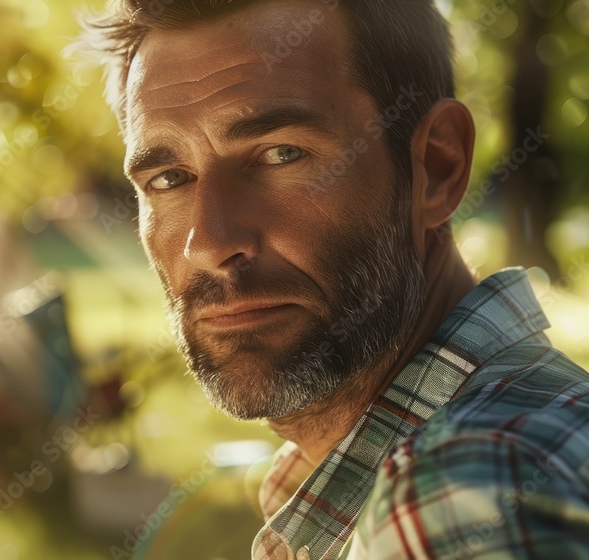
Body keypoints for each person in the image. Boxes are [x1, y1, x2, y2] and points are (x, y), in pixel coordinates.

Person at [79, 1, 589, 558]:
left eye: (280, 153)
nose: (208, 243)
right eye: (169, 178)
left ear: (438, 165)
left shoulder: (464, 494)